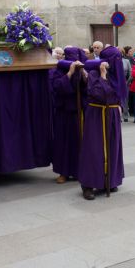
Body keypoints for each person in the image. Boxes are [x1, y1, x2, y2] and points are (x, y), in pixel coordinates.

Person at [79, 46, 126, 200]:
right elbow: (99, 94)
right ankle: (88, 185)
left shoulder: (117, 75)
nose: (117, 62)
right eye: (115, 59)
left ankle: (110, 180)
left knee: (113, 147)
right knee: (94, 148)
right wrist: (103, 76)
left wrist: (119, 105)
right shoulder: (94, 74)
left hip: (111, 114)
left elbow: (119, 94)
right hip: (97, 114)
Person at [50, 47, 87, 184]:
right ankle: (63, 172)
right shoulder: (57, 70)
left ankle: (78, 171)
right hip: (63, 112)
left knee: (79, 142)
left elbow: (87, 88)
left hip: (79, 112)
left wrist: (83, 74)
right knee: (63, 143)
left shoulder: (82, 69)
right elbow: (57, 87)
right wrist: (70, 73)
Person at [120, 47, 132, 122]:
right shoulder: (112, 61)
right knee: (117, 99)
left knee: (125, 99)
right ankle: (119, 116)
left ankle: (125, 115)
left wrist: (128, 81)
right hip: (116, 82)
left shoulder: (126, 61)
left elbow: (130, 72)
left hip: (125, 81)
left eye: (120, 52)